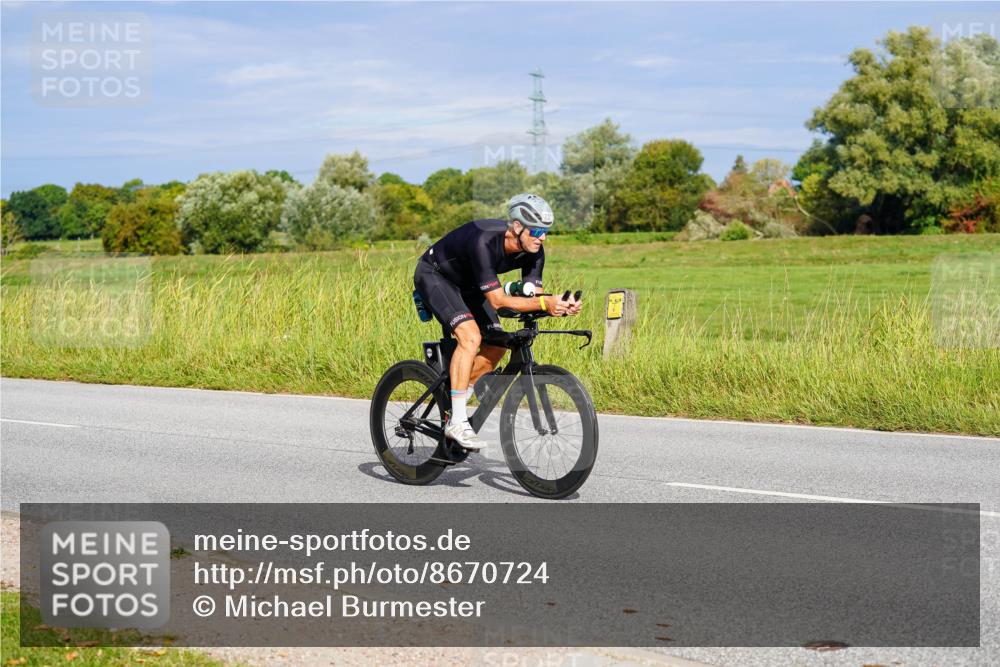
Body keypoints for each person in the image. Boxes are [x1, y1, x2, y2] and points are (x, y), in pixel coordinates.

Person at [413, 193, 582, 450]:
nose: (542, 237)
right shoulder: (485, 240)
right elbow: (497, 301)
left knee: (498, 344)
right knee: (470, 337)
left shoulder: (535, 251)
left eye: (546, 231)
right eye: (536, 230)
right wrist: (546, 303)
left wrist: (558, 306)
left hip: (471, 285)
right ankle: (456, 421)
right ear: (516, 227)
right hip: (436, 276)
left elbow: (533, 297)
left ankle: (457, 392)